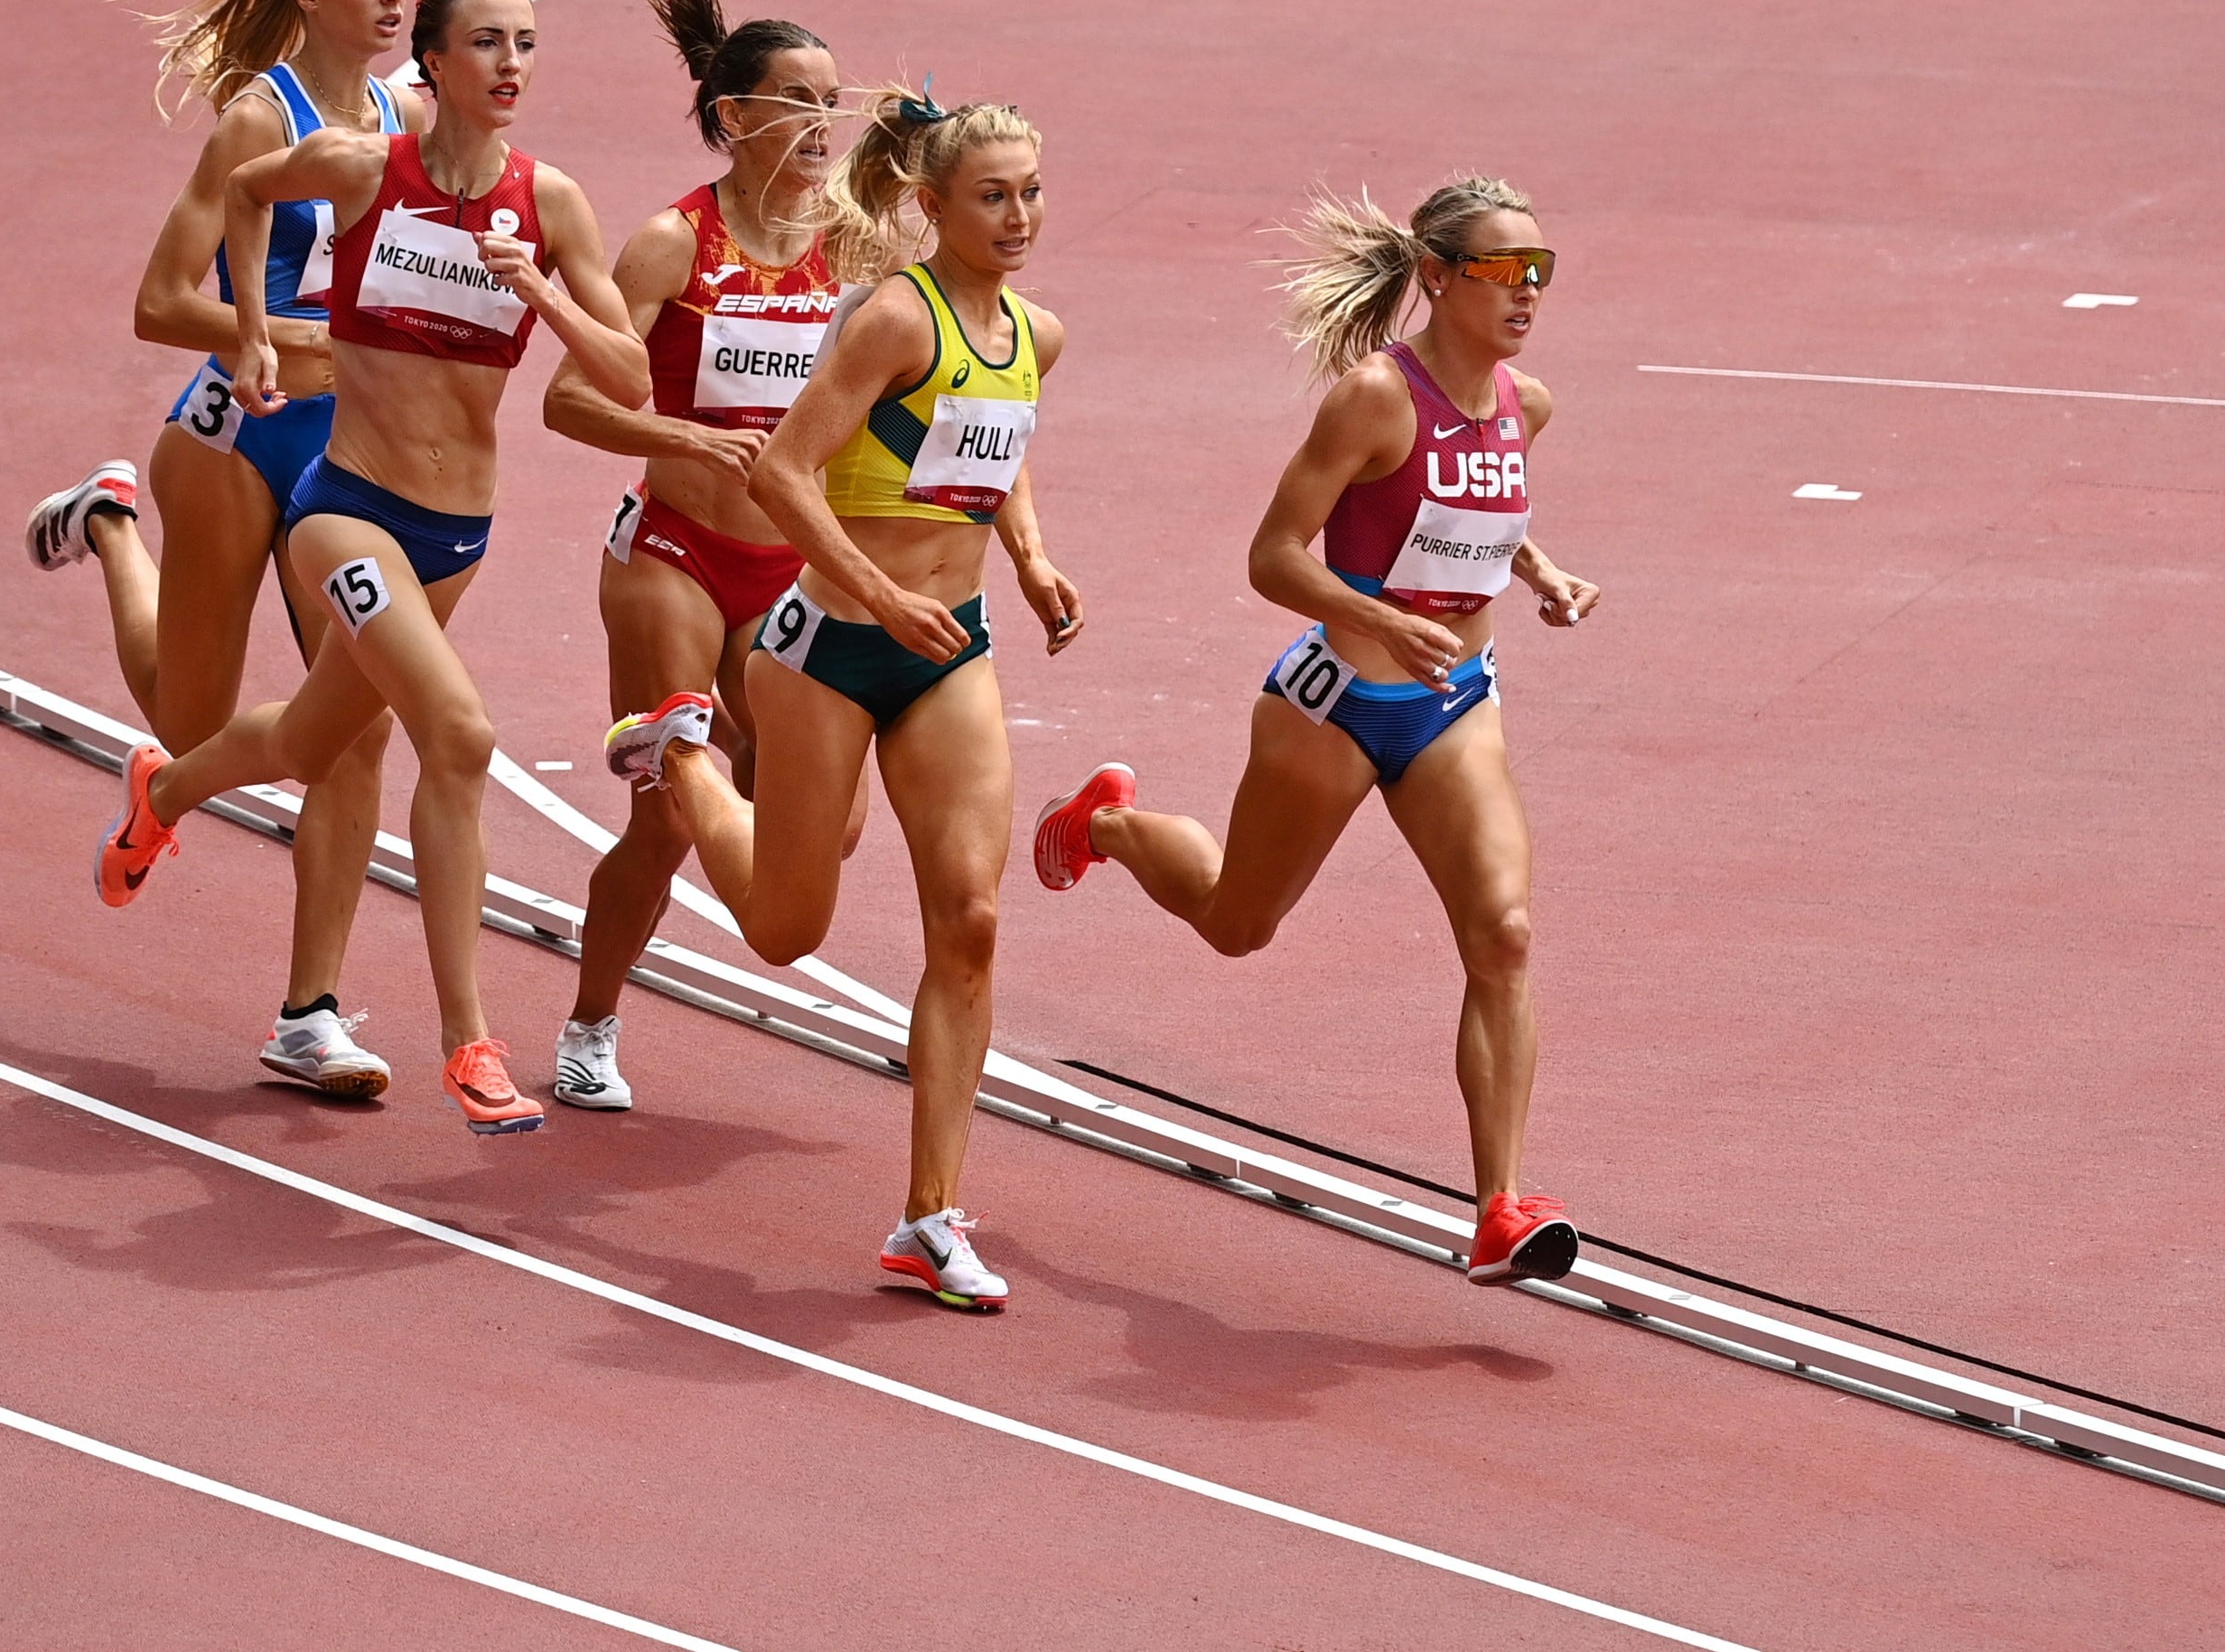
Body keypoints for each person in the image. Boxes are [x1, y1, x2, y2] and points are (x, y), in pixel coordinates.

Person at [93, 0, 648, 1134]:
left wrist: (539, 295)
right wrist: (252, 332)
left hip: (459, 532)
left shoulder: (552, 204)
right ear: (433, 65)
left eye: (528, 44)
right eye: (488, 43)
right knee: (460, 735)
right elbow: (245, 189)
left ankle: (168, 789)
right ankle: (471, 1043)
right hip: (344, 507)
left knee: (311, 735)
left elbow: (633, 373)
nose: (512, 66)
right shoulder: (365, 169)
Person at [1032, 177, 1599, 1289]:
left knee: (1505, 933)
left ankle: (1497, 1205)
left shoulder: (1522, 405)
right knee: (1237, 923)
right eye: (1500, 269)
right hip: (1334, 699)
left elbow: (1466, 518)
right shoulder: (1373, 397)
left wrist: (1537, 571)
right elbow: (1273, 556)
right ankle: (1111, 825)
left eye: (1541, 268)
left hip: (1453, 704)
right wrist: (1384, 619)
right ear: (1434, 277)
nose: (1525, 290)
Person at [606, 91, 1082, 1310]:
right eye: (994, 193)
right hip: (826, 647)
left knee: (968, 919)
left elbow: (998, 437)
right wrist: (876, 587)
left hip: (952, 655)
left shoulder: (1039, 331)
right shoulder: (886, 321)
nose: (1020, 212)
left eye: (1030, 189)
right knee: (782, 931)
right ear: (931, 206)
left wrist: (1025, 555)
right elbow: (780, 468)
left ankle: (929, 1217)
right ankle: (687, 759)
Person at [23, 0, 411, 1098]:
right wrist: (286, 333)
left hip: (351, 453)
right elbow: (158, 301)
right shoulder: (259, 119)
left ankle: (311, 1015)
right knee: (197, 727)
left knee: (358, 723)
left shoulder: (410, 117)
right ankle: (109, 525)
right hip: (238, 436)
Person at [537, 0, 846, 1112]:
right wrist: (685, 434)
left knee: (813, 819)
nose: (822, 121)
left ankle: (708, 791)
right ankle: (589, 1023)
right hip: (670, 549)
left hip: (791, 566)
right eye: (796, 100)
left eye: (832, 99)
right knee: (667, 822)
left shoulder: (852, 250)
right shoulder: (671, 243)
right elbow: (569, 400)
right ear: (734, 117)